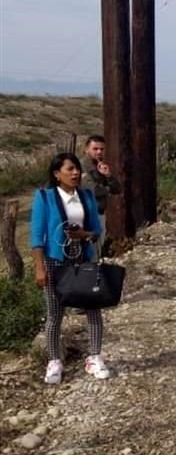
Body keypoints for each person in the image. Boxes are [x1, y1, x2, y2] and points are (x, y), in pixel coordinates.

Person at [31, 153, 109, 384]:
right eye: (69, 169)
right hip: (55, 262)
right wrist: (39, 268)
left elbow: (96, 231)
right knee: (55, 314)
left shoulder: (86, 196)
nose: (75, 173)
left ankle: (94, 357)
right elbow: (37, 236)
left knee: (93, 310)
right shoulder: (44, 198)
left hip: (83, 260)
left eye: (76, 169)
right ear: (57, 174)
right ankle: (54, 360)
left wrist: (82, 235)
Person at [79, 134, 121, 241]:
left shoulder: (101, 167)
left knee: (97, 248)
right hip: (85, 215)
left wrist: (108, 176)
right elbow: (94, 190)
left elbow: (117, 189)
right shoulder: (82, 167)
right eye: (95, 149)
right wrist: (107, 188)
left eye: (101, 149)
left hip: (99, 213)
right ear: (87, 149)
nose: (99, 152)